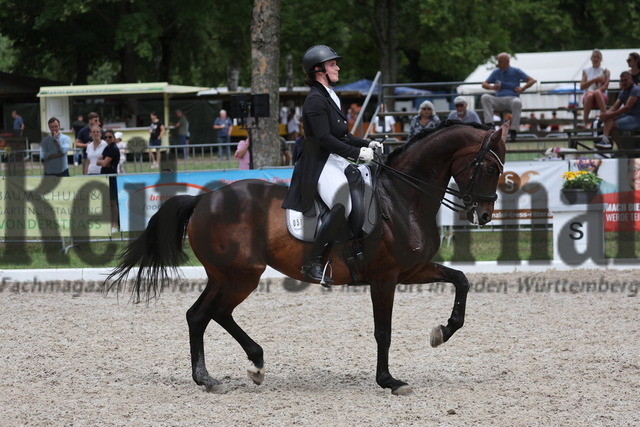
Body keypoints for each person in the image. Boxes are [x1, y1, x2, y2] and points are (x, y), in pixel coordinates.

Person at [282, 44, 381, 285]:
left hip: (333, 158)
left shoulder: (330, 96)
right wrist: (358, 153)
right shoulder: (315, 100)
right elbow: (325, 139)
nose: (338, 67)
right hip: (319, 163)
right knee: (342, 202)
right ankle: (313, 262)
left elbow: (342, 135)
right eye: (332, 64)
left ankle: (355, 249)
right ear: (319, 70)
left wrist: (368, 142)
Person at [481, 52, 537, 141]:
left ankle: (514, 130)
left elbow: (532, 80)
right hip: (498, 99)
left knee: (517, 102)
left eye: (499, 62)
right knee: (485, 97)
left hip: (512, 99)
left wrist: (522, 88)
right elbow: (484, 84)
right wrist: (492, 87)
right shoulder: (496, 72)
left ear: (506, 62)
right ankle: (489, 124)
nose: (497, 64)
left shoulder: (516, 71)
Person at [596, 71, 640, 149]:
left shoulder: (635, 89)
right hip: (627, 116)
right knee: (608, 121)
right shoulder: (622, 92)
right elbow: (614, 107)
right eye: (622, 81)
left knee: (611, 124)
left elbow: (627, 107)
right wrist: (605, 114)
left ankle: (618, 148)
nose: (623, 82)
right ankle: (607, 141)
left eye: (625, 80)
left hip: (636, 118)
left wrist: (609, 115)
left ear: (631, 80)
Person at [97, 129, 121, 233]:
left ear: (114, 138)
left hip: (111, 177)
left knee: (112, 202)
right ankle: (108, 224)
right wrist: (102, 162)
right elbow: (99, 161)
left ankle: (115, 225)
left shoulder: (114, 149)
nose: (107, 139)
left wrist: (102, 162)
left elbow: (103, 163)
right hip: (104, 176)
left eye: (110, 137)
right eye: (105, 137)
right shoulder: (107, 148)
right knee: (106, 201)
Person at [580, 49, 610, 128]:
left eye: (598, 57)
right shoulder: (586, 71)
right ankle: (585, 121)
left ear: (601, 59)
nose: (596, 59)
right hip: (589, 96)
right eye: (594, 57)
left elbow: (605, 86)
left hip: (601, 96)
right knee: (590, 95)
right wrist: (594, 80)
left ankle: (605, 118)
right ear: (591, 59)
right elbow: (582, 86)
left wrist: (596, 91)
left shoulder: (606, 72)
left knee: (596, 92)